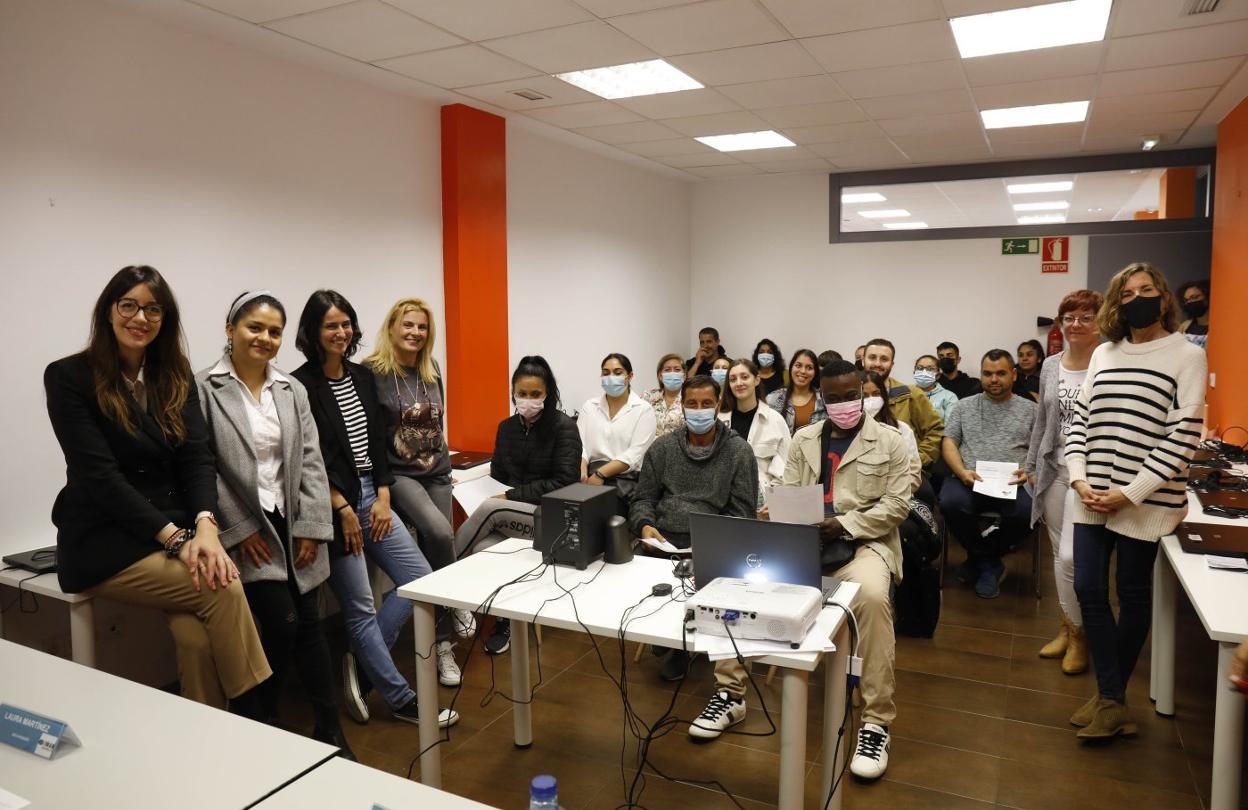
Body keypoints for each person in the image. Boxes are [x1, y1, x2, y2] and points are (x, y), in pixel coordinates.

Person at [45, 266, 270, 712]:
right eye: (128, 305)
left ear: (164, 318)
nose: (140, 318)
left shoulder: (173, 371)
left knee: (198, 642)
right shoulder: (70, 377)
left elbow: (197, 456)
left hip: (177, 535)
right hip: (106, 541)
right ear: (108, 311)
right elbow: (101, 478)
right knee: (222, 587)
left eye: (152, 308)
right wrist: (178, 538)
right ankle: (257, 715)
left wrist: (205, 526)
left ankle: (207, 740)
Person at [698, 359, 909, 782]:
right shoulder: (805, 438)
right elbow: (791, 492)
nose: (846, 404)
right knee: (745, 582)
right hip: (805, 542)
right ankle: (731, 693)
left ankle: (875, 722)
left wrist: (843, 524)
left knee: (869, 597)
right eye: (835, 398)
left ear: (864, 393)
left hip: (863, 544)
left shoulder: (891, 442)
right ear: (823, 400)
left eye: (854, 396)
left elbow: (897, 506)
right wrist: (777, 512)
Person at [291, 290, 457, 729]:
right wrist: (343, 507)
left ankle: (362, 666)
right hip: (331, 505)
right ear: (312, 331)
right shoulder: (299, 386)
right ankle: (402, 698)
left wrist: (383, 496)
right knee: (361, 605)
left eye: (346, 324)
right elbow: (309, 458)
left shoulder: (362, 378)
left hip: (372, 496)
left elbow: (377, 448)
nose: (341, 333)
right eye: (331, 325)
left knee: (421, 578)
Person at [197, 291, 353, 757]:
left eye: (274, 331)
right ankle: (261, 715)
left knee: (308, 621)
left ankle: (329, 729)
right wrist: (239, 529)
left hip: (292, 519)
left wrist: (310, 525)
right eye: (254, 328)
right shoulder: (202, 388)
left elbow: (309, 460)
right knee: (283, 624)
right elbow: (204, 465)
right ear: (230, 330)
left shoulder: (291, 389)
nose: (265, 338)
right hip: (244, 523)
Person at [1066, 262, 1205, 741]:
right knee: (1088, 589)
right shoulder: (1105, 352)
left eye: (1147, 290)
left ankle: (1109, 697)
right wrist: (1079, 480)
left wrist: (1131, 492)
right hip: (1092, 494)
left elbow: (1183, 434)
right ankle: (1111, 697)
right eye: (1127, 294)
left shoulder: (1186, 355)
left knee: (1132, 594)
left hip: (1144, 501)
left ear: (1164, 298)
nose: (1138, 299)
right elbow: (1079, 423)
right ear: (1116, 302)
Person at [362, 298, 474, 650]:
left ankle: (441, 644)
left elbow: (436, 420)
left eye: (421, 327)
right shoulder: (371, 372)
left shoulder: (431, 368)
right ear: (392, 327)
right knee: (440, 533)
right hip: (400, 475)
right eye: (408, 325)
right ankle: (454, 599)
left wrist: (446, 461)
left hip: (438, 471)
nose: (415, 332)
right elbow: (370, 434)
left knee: (439, 541)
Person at [630, 375, 757, 681]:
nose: (699, 410)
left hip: (711, 542)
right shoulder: (662, 448)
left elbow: (742, 514)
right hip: (662, 540)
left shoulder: (739, 452)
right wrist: (645, 526)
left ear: (717, 407)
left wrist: (715, 543)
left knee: (704, 580)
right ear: (682, 408)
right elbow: (642, 498)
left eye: (706, 404)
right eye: (691, 404)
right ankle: (664, 632)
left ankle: (682, 646)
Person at [453, 356, 581, 655]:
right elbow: (497, 475)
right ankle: (506, 620)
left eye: (535, 394)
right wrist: (470, 486)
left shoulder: (563, 428)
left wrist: (509, 498)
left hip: (549, 517)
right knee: (483, 546)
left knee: (490, 509)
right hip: (510, 517)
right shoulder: (506, 427)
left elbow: (565, 481)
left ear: (547, 393)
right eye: (522, 394)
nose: (527, 400)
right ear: (513, 392)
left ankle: (444, 588)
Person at [1024, 289, 1103, 676]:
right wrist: (1031, 463)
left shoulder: (1109, 361)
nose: (1075, 325)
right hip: (1054, 467)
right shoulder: (1052, 364)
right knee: (1058, 552)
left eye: (1085, 317)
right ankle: (1068, 627)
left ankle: (1082, 634)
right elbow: (1043, 418)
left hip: (1090, 473)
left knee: (1074, 556)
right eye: (1069, 318)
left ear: (1101, 322)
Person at [939, 349, 1036, 600]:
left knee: (1029, 513)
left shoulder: (1031, 410)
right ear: (981, 376)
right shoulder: (963, 407)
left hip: (1014, 482)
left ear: (1013, 375)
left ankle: (981, 559)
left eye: (1001, 373)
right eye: (988, 374)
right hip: (970, 479)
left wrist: (1030, 470)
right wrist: (961, 472)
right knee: (949, 502)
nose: (994, 379)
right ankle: (989, 564)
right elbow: (949, 442)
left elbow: (1040, 450)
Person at [578, 353, 657, 501]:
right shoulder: (589, 407)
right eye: (605, 373)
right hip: (588, 475)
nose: (611, 377)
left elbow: (635, 453)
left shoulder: (644, 410)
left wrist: (600, 474)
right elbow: (580, 445)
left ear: (630, 376)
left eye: (618, 372)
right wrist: (582, 471)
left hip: (624, 480)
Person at [717, 358, 791, 504]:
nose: (739, 383)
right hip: (725, 501)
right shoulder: (719, 421)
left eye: (744, 377)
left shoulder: (775, 420)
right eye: (733, 379)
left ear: (756, 380)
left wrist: (774, 501)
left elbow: (786, 465)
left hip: (765, 502)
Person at [861, 338, 944, 467]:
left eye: (884, 359)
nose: (877, 363)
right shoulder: (851, 396)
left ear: (892, 364)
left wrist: (918, 459)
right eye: (872, 357)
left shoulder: (911, 394)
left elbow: (935, 430)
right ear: (862, 360)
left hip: (906, 471)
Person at [861, 371, 922, 495]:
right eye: (865, 396)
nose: (871, 400)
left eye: (876, 394)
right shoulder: (850, 431)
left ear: (884, 395)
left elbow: (913, 474)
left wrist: (888, 498)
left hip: (895, 498)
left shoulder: (902, 429)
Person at [766, 349, 822, 434]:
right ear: (791, 368)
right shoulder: (773, 398)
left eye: (809, 368)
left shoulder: (823, 399)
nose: (803, 371)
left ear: (815, 373)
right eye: (798, 366)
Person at [642, 353, 686, 438]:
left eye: (677, 369)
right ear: (660, 376)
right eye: (667, 370)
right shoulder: (647, 397)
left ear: (684, 375)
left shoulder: (690, 399)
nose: (672, 373)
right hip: (651, 448)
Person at [912, 354, 957, 424]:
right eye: (920, 368)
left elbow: (950, 429)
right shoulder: (906, 394)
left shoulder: (949, 397)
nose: (924, 372)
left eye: (930, 369)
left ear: (938, 375)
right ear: (914, 372)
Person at [1176, 278, 1210, 349]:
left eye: (1194, 297)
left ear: (1206, 298)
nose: (1189, 302)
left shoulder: (1219, 327)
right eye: (1186, 300)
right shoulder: (1184, 326)